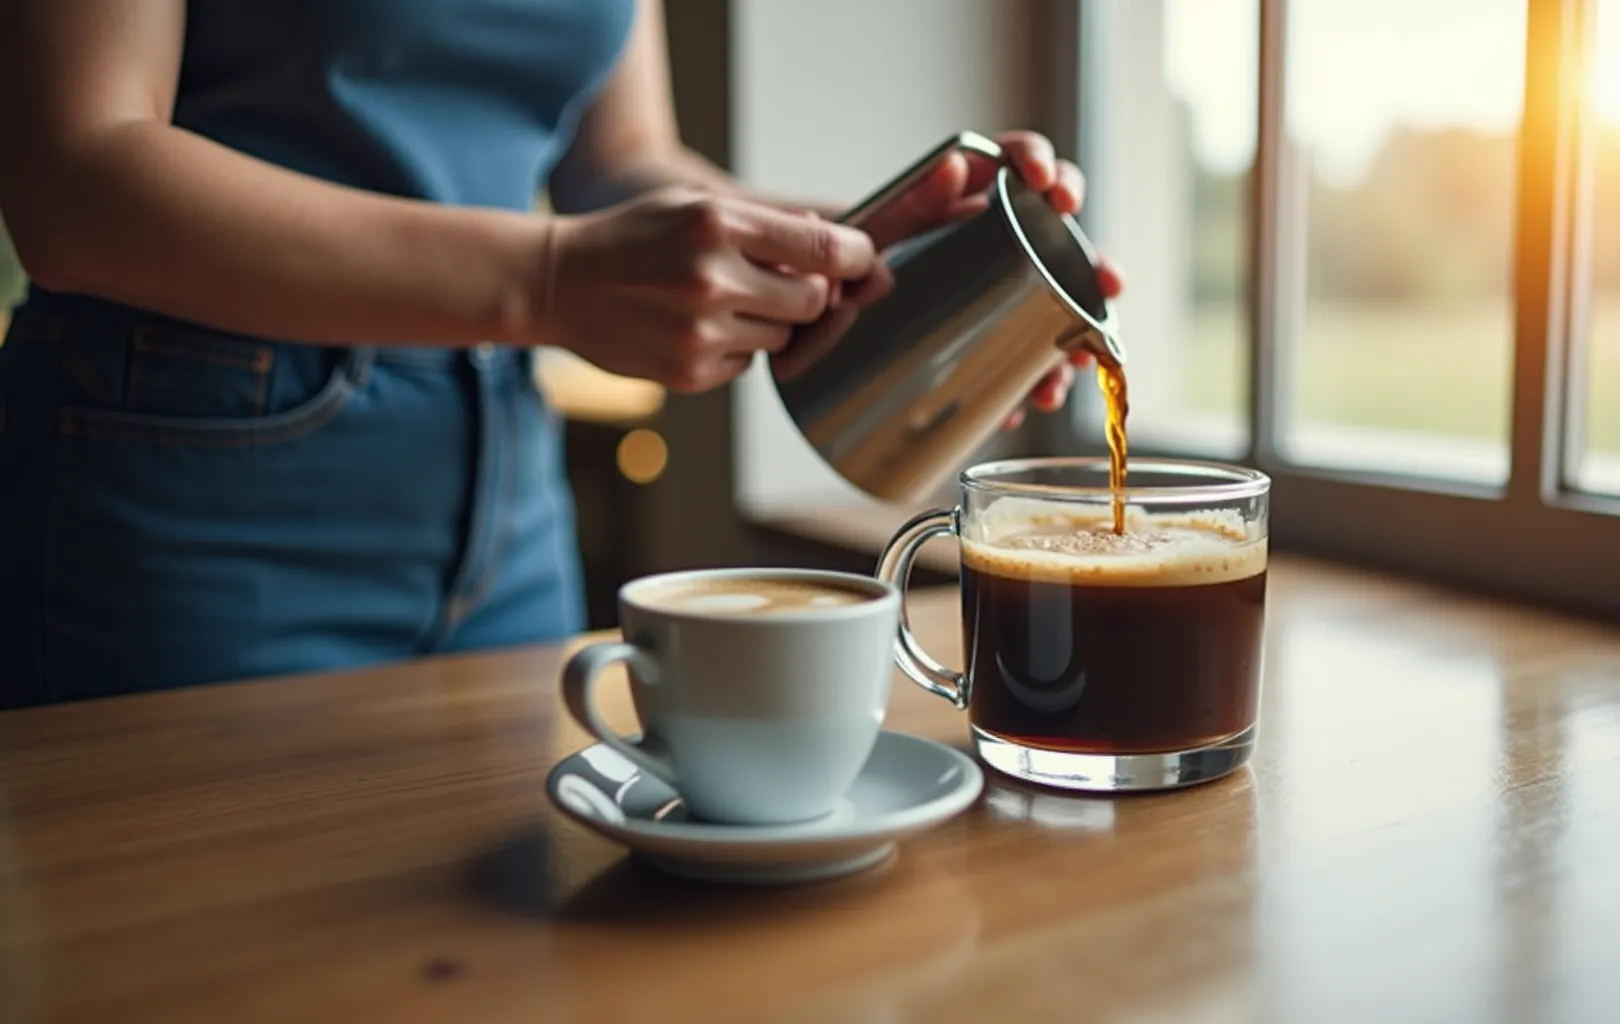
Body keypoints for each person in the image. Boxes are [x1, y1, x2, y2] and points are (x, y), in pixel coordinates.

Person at [0, 0, 1122, 708]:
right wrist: (548, 280)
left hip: (510, 515)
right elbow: (72, 176)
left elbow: (622, 162)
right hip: (190, 509)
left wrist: (854, 248)